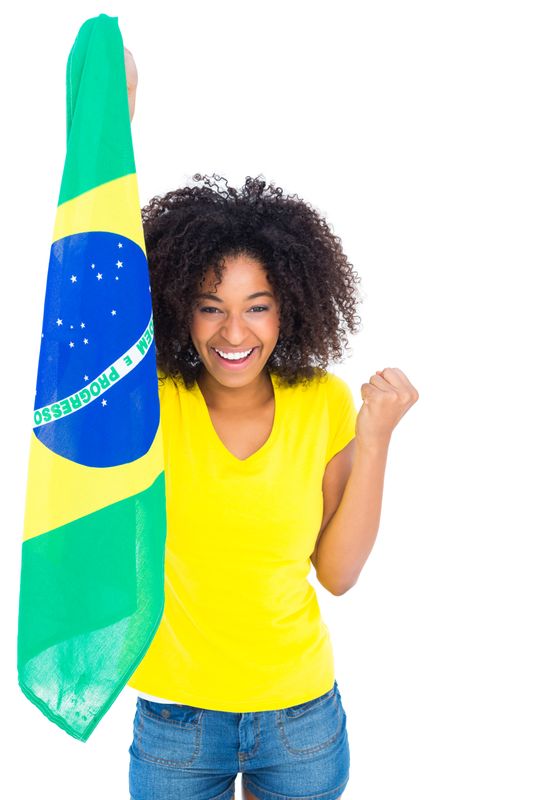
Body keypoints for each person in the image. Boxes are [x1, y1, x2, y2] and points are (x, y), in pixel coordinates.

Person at [123, 48, 419, 800]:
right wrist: (110, 134)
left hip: (300, 721)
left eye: (257, 305)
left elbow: (339, 575)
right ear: (178, 309)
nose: (233, 331)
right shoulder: (153, 399)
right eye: (210, 304)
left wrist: (376, 436)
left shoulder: (320, 403)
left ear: (288, 307)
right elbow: (98, 297)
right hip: (177, 721)